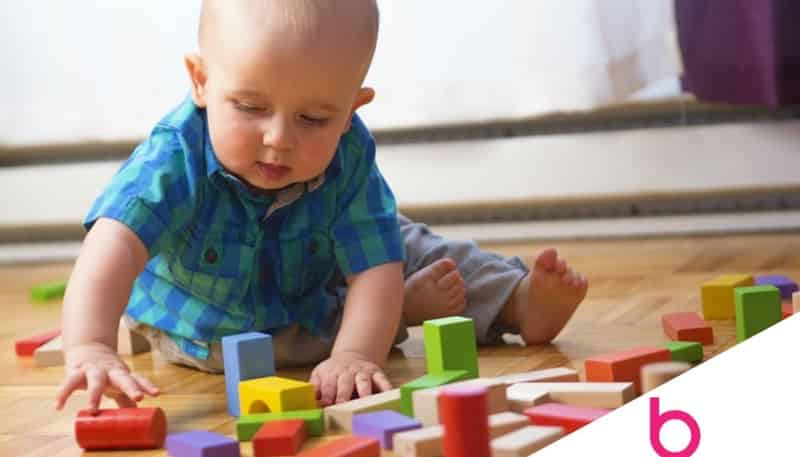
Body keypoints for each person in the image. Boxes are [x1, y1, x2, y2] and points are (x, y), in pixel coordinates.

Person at [55, 0, 588, 413]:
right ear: (201, 81)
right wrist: (90, 346)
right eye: (250, 107)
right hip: (210, 320)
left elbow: (377, 262)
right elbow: (111, 248)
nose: (279, 139)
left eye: (314, 119)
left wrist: (355, 358)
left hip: (310, 259)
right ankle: (399, 314)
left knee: (410, 242)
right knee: (248, 348)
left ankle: (515, 300)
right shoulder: (172, 160)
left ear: (352, 108)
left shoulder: (348, 153)